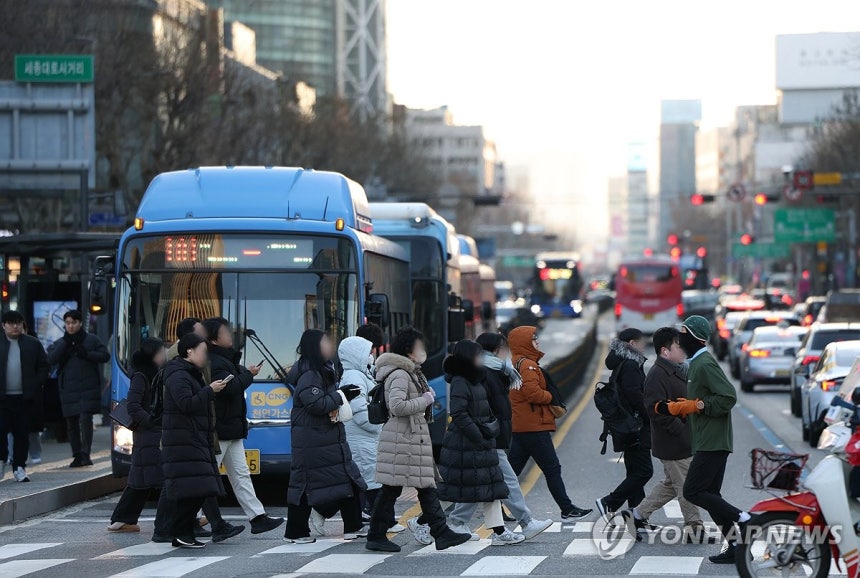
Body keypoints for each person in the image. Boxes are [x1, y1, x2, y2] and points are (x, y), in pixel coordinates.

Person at [655, 315, 752, 564]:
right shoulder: (696, 364)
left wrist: (696, 405)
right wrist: (680, 408)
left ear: (695, 338)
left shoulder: (705, 364)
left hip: (713, 440)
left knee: (693, 491)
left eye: (683, 334)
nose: (679, 339)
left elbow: (728, 397)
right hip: (707, 439)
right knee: (711, 495)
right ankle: (737, 548)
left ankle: (745, 518)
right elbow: (701, 402)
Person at [366, 326, 472, 553]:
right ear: (408, 351)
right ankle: (377, 535)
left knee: (421, 487)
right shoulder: (400, 374)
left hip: (410, 438)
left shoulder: (410, 372)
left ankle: (440, 533)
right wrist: (425, 400)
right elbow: (397, 406)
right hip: (403, 438)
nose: (423, 350)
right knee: (397, 489)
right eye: (419, 347)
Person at [447, 333, 553, 541]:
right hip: (484, 437)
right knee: (505, 481)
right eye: (504, 347)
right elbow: (465, 411)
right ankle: (525, 522)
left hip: (489, 434)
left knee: (483, 485)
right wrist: (483, 433)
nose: (508, 351)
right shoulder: (481, 373)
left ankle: (462, 524)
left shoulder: (495, 370)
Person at [622, 327, 712, 543]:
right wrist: (681, 431)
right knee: (687, 486)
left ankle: (636, 515)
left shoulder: (676, 370)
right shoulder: (657, 375)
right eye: (678, 346)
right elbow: (655, 410)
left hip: (681, 440)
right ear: (665, 351)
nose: (682, 350)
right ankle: (695, 528)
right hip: (673, 442)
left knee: (671, 484)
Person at [160, 317, 243, 543]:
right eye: (202, 351)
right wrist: (210, 390)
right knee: (193, 490)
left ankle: (181, 533)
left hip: (195, 440)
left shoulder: (189, 372)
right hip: (184, 442)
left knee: (199, 489)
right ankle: (178, 533)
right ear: (189, 351)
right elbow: (186, 404)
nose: (205, 356)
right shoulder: (178, 374)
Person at [284, 329, 368, 544]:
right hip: (312, 441)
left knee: (348, 480)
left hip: (327, 437)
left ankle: (353, 526)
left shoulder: (324, 369)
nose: (330, 345)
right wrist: (341, 395)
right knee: (305, 486)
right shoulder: (310, 374)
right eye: (325, 342)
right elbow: (316, 404)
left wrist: (341, 395)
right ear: (314, 347)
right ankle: (296, 532)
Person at [203, 317, 284, 535]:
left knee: (240, 474)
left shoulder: (225, 359)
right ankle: (187, 519)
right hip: (221, 429)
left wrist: (245, 372)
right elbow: (228, 389)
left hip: (231, 429)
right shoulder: (215, 361)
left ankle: (258, 517)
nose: (230, 334)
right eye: (225, 332)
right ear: (213, 339)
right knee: (207, 478)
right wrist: (248, 375)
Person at [438, 340, 523, 546]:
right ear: (468, 357)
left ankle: (499, 532)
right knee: (464, 488)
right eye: (477, 355)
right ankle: (426, 521)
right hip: (466, 443)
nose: (481, 358)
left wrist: (487, 429)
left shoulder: (476, 378)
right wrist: (478, 434)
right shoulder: (461, 380)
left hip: (482, 440)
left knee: (491, 485)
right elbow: (458, 412)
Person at [507, 326, 592, 521]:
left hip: (522, 425)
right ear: (524, 342)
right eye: (534, 339)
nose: (538, 342)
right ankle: (567, 508)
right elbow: (532, 393)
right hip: (534, 426)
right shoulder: (528, 365)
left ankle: (496, 507)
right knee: (552, 468)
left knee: (512, 472)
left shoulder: (515, 362)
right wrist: (551, 396)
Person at [339, 335, 404, 533]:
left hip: (367, 438)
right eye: (367, 352)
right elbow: (360, 412)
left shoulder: (361, 374)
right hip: (362, 438)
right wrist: (380, 426)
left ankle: (383, 522)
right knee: (374, 483)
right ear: (355, 355)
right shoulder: (353, 376)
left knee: (369, 481)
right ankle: (385, 523)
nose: (371, 356)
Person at [108, 338, 170, 533]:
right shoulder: (142, 376)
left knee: (140, 480)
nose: (164, 355)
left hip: (149, 435)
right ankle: (180, 520)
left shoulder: (154, 374)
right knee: (166, 479)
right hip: (149, 435)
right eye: (161, 352)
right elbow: (134, 405)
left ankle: (122, 519)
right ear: (153, 355)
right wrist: (151, 421)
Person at [595, 328, 654, 520]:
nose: (645, 346)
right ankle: (609, 502)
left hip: (626, 426)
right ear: (632, 344)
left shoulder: (623, 363)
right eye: (642, 342)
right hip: (634, 426)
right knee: (644, 472)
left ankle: (636, 520)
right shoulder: (629, 365)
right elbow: (635, 396)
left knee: (635, 472)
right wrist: (651, 416)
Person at [47, 310, 110, 468]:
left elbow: (105, 356)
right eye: (68, 323)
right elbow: (50, 359)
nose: (71, 326)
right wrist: (65, 345)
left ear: (80, 323)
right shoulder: (61, 342)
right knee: (72, 423)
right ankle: (76, 454)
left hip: (87, 387)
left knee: (85, 420)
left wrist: (87, 354)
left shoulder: (91, 340)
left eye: (74, 322)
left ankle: (85, 454)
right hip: (68, 388)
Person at [0, 311, 49, 482]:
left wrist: (36, 383)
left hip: (24, 398)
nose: (15, 326)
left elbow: (44, 366)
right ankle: (2, 459)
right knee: (1, 431)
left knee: (22, 434)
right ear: (3, 325)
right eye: (11, 323)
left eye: (19, 323)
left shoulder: (32, 344)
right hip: (3, 399)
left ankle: (19, 467)